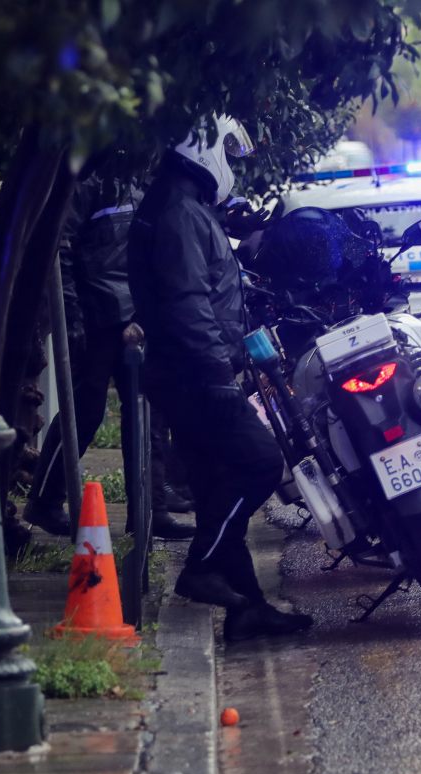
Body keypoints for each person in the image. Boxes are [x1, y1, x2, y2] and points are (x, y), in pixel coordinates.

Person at [127, 115, 312, 642]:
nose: (229, 165)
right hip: (194, 373)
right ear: (203, 147)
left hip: (183, 371)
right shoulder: (178, 211)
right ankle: (201, 566)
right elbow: (187, 302)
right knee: (259, 463)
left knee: (214, 488)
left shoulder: (183, 204)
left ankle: (247, 608)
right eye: (226, 152)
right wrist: (216, 371)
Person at [24, 165, 195, 541]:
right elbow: (61, 247)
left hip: (135, 312)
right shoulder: (89, 181)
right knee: (85, 411)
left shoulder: (144, 179)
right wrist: (72, 314)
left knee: (146, 416)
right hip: (96, 313)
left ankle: (149, 513)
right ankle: (45, 502)